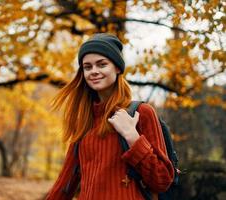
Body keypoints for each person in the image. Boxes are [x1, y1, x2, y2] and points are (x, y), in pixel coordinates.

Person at [46, 33, 174, 200]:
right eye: (87, 67)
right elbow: (64, 185)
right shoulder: (84, 121)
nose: (94, 71)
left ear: (117, 68)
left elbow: (162, 180)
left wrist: (133, 138)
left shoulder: (141, 113)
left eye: (102, 64)